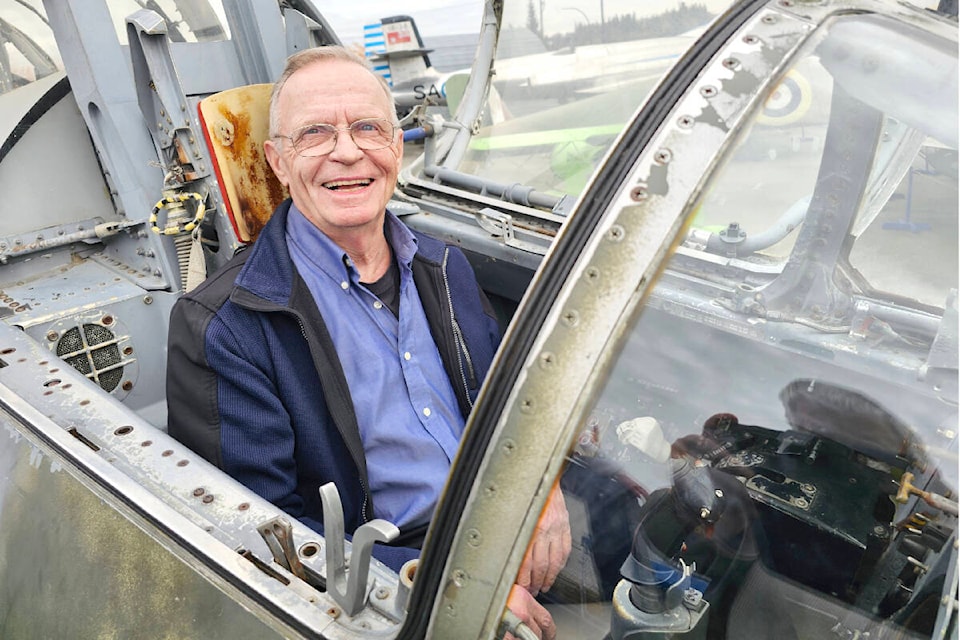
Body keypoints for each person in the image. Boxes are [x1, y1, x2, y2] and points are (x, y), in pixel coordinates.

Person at [166, 46, 569, 638]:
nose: (347, 151)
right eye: (315, 134)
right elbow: (265, 535)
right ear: (278, 162)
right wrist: (447, 587)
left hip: (508, 514)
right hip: (392, 571)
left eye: (366, 127)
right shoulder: (225, 326)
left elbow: (512, 393)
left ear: (396, 147)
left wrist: (547, 482)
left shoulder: (445, 265)